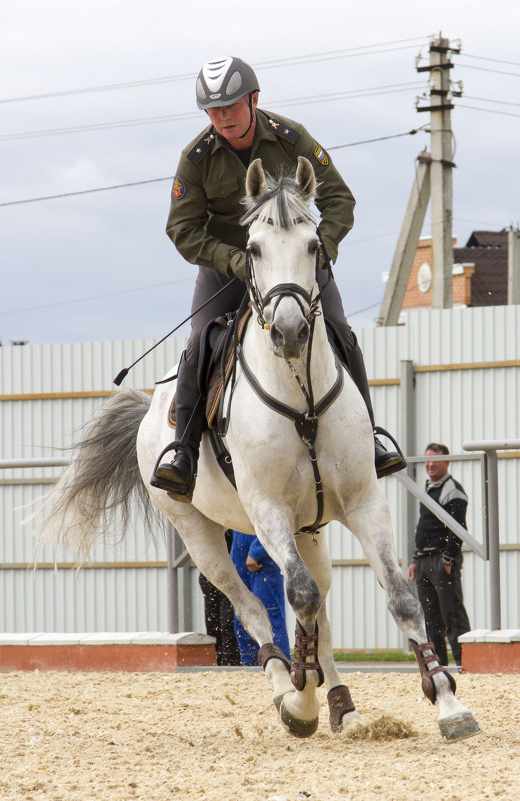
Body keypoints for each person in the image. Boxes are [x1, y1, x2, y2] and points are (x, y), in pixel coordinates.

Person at [151, 56, 406, 501]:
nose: (223, 117)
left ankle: (372, 437)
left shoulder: (293, 139)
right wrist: (233, 261)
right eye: (213, 111)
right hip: (230, 264)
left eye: (231, 106)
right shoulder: (195, 159)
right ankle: (183, 452)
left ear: (253, 99)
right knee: (198, 341)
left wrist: (320, 249)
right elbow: (182, 229)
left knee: (341, 331)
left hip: (295, 261)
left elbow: (339, 199)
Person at [407, 443, 471, 667]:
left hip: (440, 561)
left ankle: (466, 663)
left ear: (447, 462)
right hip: (425, 561)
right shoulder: (429, 488)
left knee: (452, 614)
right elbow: (424, 528)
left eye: (436, 460)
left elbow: (458, 529)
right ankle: (440, 666)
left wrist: (448, 560)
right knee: (431, 619)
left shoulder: (452, 489)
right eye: (427, 460)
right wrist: (416, 559)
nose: (431, 464)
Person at [230, 530, 290, 665]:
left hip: (261, 547)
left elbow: (273, 519)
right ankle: (252, 669)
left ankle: (280, 666)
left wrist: (258, 550)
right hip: (239, 542)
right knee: (243, 617)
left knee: (269, 615)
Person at [198, 530, 241, 666]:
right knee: (213, 626)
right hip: (210, 573)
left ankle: (231, 665)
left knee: (228, 624)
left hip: (229, 572)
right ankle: (218, 665)